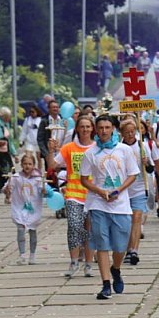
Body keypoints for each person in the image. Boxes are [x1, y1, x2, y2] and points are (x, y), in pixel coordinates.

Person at [79, 114, 140, 299]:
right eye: (100, 128)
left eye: (107, 127)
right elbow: (84, 179)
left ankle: (116, 269)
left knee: (120, 247)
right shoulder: (91, 153)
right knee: (102, 244)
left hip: (120, 205)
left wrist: (118, 190)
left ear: (113, 129)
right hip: (98, 204)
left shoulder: (124, 150)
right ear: (96, 130)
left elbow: (133, 174)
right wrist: (99, 191)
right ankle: (106, 284)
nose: (104, 131)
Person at [55, 116, 96, 277]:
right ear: (77, 129)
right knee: (73, 226)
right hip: (73, 194)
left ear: (92, 128)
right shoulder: (69, 148)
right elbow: (53, 165)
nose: (85, 129)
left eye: (88, 126)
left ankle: (88, 264)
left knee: (89, 230)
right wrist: (51, 151)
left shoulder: (97, 147)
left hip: (93, 196)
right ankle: (74, 262)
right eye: (82, 126)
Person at [119, 117, 159, 265]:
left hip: (139, 188)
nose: (131, 134)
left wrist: (146, 162)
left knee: (136, 218)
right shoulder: (118, 148)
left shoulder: (142, 146)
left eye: (133, 131)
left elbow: (150, 169)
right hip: (123, 190)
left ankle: (133, 250)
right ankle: (127, 248)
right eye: (127, 132)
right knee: (126, 222)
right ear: (122, 133)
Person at [3, 153, 44, 265]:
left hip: (33, 208)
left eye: (30, 164)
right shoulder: (16, 177)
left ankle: (32, 255)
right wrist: (7, 190)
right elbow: (7, 189)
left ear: (34, 165)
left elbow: (43, 191)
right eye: (25, 164)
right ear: (21, 164)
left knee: (32, 230)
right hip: (19, 207)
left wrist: (44, 191)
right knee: (20, 229)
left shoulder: (38, 179)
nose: (27, 166)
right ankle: (22, 254)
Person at [19, 106, 43, 170]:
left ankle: (39, 172)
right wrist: (21, 140)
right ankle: (28, 171)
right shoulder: (27, 120)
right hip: (30, 142)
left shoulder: (41, 120)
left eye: (33, 112)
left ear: (37, 112)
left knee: (39, 158)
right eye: (30, 112)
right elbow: (24, 131)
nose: (31, 113)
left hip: (38, 143)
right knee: (28, 157)